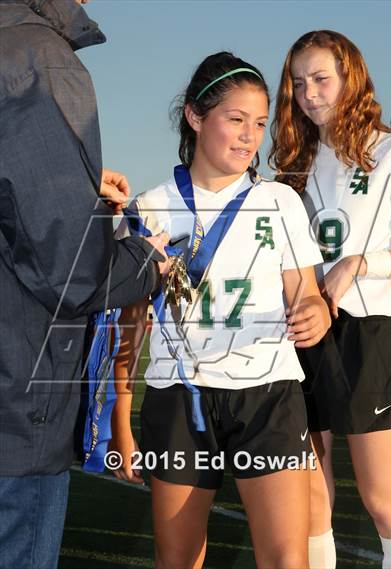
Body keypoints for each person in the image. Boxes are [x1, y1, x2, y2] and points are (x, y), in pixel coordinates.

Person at [111, 51, 331, 569]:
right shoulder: (151, 206)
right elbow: (131, 324)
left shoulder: (280, 200)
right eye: (235, 119)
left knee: (286, 560)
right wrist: (121, 417)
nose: (249, 136)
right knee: (179, 559)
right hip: (179, 398)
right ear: (194, 116)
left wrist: (316, 311)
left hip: (269, 397)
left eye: (258, 123)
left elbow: (307, 295)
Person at [0, 1, 168, 568]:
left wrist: (72, 184)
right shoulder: (35, 58)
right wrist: (144, 258)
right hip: (15, 412)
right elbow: (68, 269)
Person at [270, 30, 391, 569]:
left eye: (321, 78)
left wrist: (362, 263)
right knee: (310, 499)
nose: (309, 93)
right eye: (298, 82)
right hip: (302, 333)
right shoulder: (293, 161)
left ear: (350, 77)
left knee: (383, 500)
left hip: (366, 333)